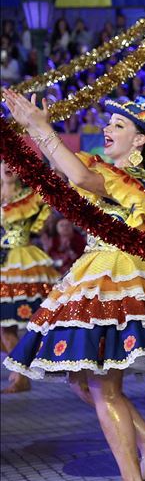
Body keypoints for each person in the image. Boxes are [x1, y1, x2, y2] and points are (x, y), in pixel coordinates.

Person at [2, 90, 145, 481]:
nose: (107, 129)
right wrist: (36, 132)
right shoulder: (111, 173)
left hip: (115, 275)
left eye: (118, 125)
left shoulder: (130, 180)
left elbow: (81, 178)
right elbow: (70, 175)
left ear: (140, 141)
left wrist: (41, 129)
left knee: (103, 386)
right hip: (98, 269)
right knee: (82, 380)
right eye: (109, 123)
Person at [0, 166, 57, 394]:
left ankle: (23, 376)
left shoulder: (29, 196)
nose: (6, 166)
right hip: (4, 263)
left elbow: (52, 192)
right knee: (5, 328)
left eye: (12, 162)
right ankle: (20, 373)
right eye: (3, 161)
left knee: (13, 324)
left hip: (21, 262)